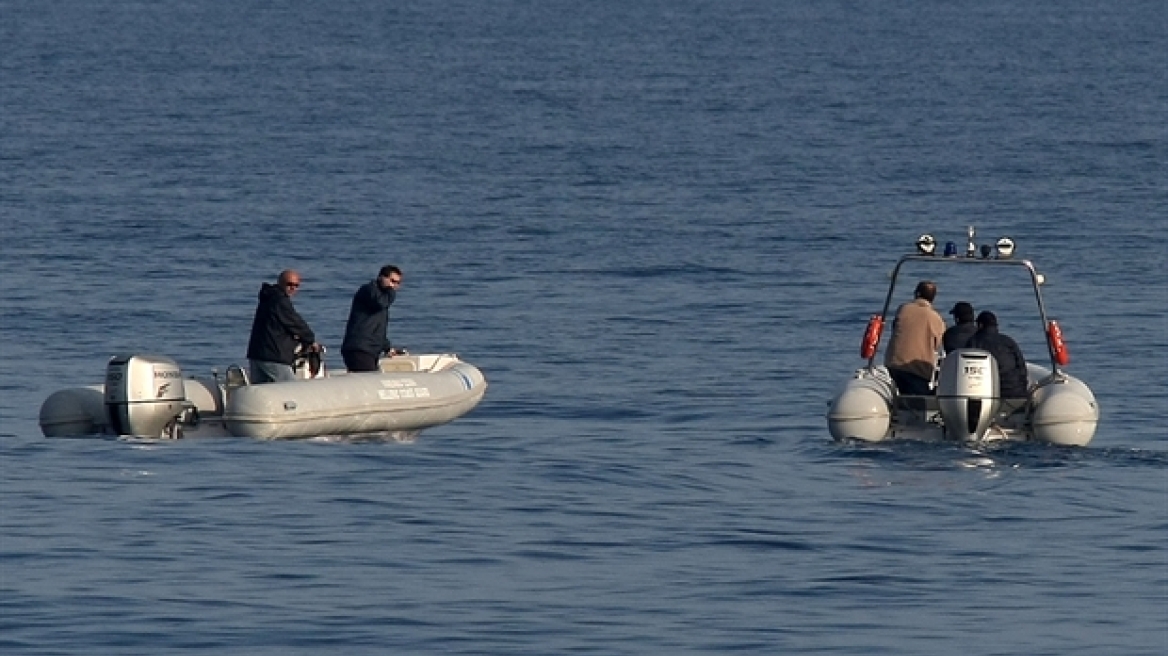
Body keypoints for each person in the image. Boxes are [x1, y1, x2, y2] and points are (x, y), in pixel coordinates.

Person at [246, 269, 320, 383]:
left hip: (257, 354)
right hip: (273, 356)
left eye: (296, 286)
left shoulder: (268, 297)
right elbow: (295, 323)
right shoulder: (280, 301)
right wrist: (310, 339)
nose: (293, 288)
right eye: (289, 284)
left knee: (262, 389)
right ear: (280, 283)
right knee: (290, 389)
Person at [884, 280, 946, 395]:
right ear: (933, 298)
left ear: (917, 294)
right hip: (918, 372)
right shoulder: (937, 319)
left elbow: (895, 329)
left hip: (893, 366)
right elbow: (938, 345)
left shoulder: (903, 309)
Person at [341, 265, 403, 372]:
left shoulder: (383, 298)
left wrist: (387, 348)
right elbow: (380, 303)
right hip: (359, 348)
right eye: (392, 281)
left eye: (398, 283)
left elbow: (377, 328)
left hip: (370, 350)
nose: (394, 286)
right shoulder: (369, 290)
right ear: (381, 277)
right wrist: (391, 291)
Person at [965, 311, 1029, 398]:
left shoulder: (973, 342)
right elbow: (1022, 368)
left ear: (980, 325)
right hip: (1016, 391)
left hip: (988, 394)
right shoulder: (1008, 341)